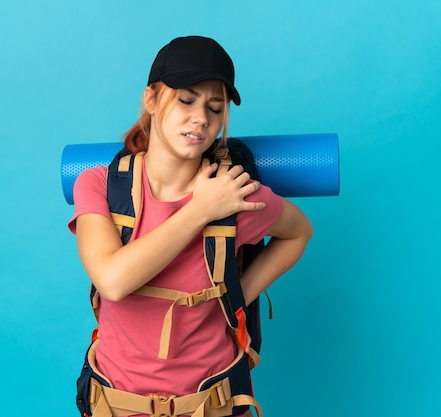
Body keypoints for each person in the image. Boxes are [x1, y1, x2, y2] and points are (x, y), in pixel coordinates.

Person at [68, 35, 313, 417]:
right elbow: (111, 280)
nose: (201, 118)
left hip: (210, 405)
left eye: (215, 108)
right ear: (151, 99)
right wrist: (200, 211)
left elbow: (299, 231)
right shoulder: (99, 184)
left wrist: (234, 296)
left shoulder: (233, 195)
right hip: (114, 406)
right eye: (185, 100)